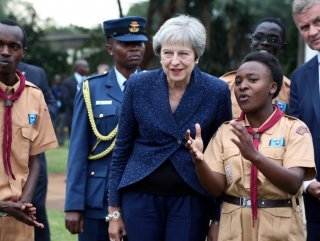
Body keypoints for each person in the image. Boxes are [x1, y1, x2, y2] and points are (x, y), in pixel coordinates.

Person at [108, 15, 231, 241]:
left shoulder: (217, 90)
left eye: (183, 53)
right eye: (168, 53)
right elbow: (122, 148)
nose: (175, 61)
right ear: (159, 54)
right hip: (140, 198)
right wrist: (114, 212)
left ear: (196, 56)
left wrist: (217, 218)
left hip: (191, 199)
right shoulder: (138, 85)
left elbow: (223, 159)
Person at [186, 51, 316, 241]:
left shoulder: (295, 129)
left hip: (281, 230)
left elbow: (294, 182)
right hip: (234, 230)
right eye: (238, 82)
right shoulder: (226, 131)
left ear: (272, 88)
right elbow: (216, 188)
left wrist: (254, 156)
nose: (242, 87)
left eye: (252, 80)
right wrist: (199, 161)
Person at [64, 16, 148, 241]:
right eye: (126, 44)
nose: (134, 49)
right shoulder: (91, 89)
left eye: (139, 44)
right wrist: (74, 205)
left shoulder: (155, 86)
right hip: (98, 197)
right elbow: (78, 150)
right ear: (110, 48)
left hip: (142, 195)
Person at [0, 19, 58, 241]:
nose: (5, 52)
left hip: (18, 217)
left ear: (23, 52)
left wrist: (24, 203)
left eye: (13, 46)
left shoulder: (34, 96)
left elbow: (36, 158)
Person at [18, 61, 58, 241]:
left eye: (13, 46)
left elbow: (51, 104)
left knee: (36, 209)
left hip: (31, 156)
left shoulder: (36, 73)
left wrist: (34, 115)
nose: (6, 51)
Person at [290, 1, 320, 240]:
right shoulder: (300, 77)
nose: (312, 32)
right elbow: (295, 135)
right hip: (315, 201)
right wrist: (307, 182)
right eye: (304, 27)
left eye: (318, 21)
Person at [221, 17, 290, 118]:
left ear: (282, 47)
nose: (265, 42)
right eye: (259, 37)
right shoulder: (224, 85)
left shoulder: (290, 91)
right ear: (251, 42)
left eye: (273, 39)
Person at [61, 59, 89, 137]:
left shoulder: (90, 80)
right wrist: (81, 106)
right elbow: (65, 99)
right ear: (77, 68)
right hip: (73, 115)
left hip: (89, 116)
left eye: (87, 66)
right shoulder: (68, 82)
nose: (87, 69)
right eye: (85, 67)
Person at [51, 74, 66, 145]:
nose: (58, 80)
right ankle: (53, 142)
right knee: (53, 127)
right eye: (56, 79)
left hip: (62, 111)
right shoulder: (51, 89)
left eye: (59, 79)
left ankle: (61, 142)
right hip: (54, 112)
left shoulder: (62, 89)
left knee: (61, 127)